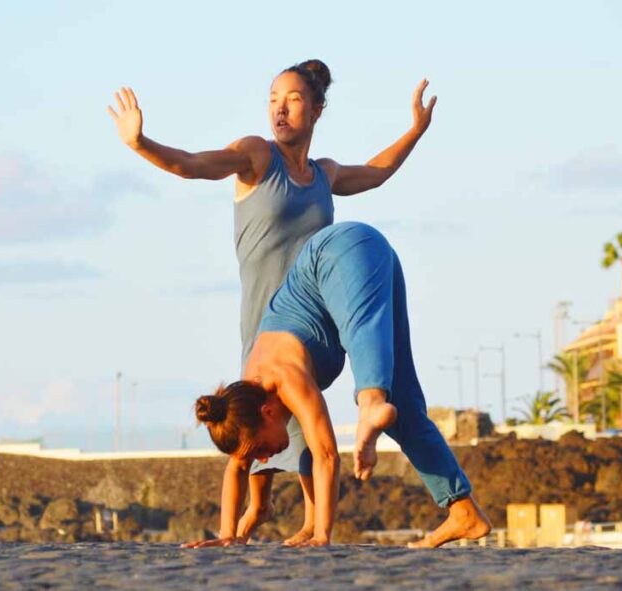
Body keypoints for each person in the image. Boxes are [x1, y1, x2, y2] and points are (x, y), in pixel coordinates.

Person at [108, 60, 438, 544]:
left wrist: (416, 130)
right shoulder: (256, 156)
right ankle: (252, 518)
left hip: (313, 322)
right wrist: (141, 143)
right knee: (252, 440)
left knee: (306, 433)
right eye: (272, 101)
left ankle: (310, 525)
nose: (279, 110)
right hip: (265, 319)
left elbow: (375, 173)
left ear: (318, 109)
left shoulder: (323, 174)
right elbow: (194, 165)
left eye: (293, 99)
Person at [192, 222, 492, 547]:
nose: (264, 459)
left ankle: (371, 401)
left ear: (267, 411)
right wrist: (227, 535)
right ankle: (464, 512)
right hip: (369, 256)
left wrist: (322, 534)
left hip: (336, 255)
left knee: (360, 328)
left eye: (261, 450)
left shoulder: (284, 377)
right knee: (404, 408)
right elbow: (237, 464)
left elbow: (326, 455)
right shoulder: (249, 398)